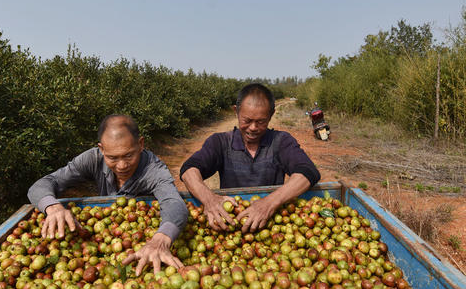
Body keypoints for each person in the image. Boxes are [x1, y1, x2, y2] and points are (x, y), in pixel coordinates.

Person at [28, 113, 188, 275]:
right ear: (102, 149)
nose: (121, 165)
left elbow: (174, 204)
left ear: (141, 144)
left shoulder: (153, 169)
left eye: (128, 155)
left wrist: (161, 239)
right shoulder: (92, 159)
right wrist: (53, 207)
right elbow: (42, 184)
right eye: (112, 158)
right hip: (107, 230)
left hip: (140, 233)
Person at [180, 83, 320, 233]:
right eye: (247, 120)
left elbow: (308, 172)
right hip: (230, 223)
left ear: (271, 114)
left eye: (261, 122)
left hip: (269, 223)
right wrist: (210, 200)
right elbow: (189, 170)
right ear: (236, 111)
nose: (253, 127)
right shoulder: (220, 142)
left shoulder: (281, 141)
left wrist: (268, 204)